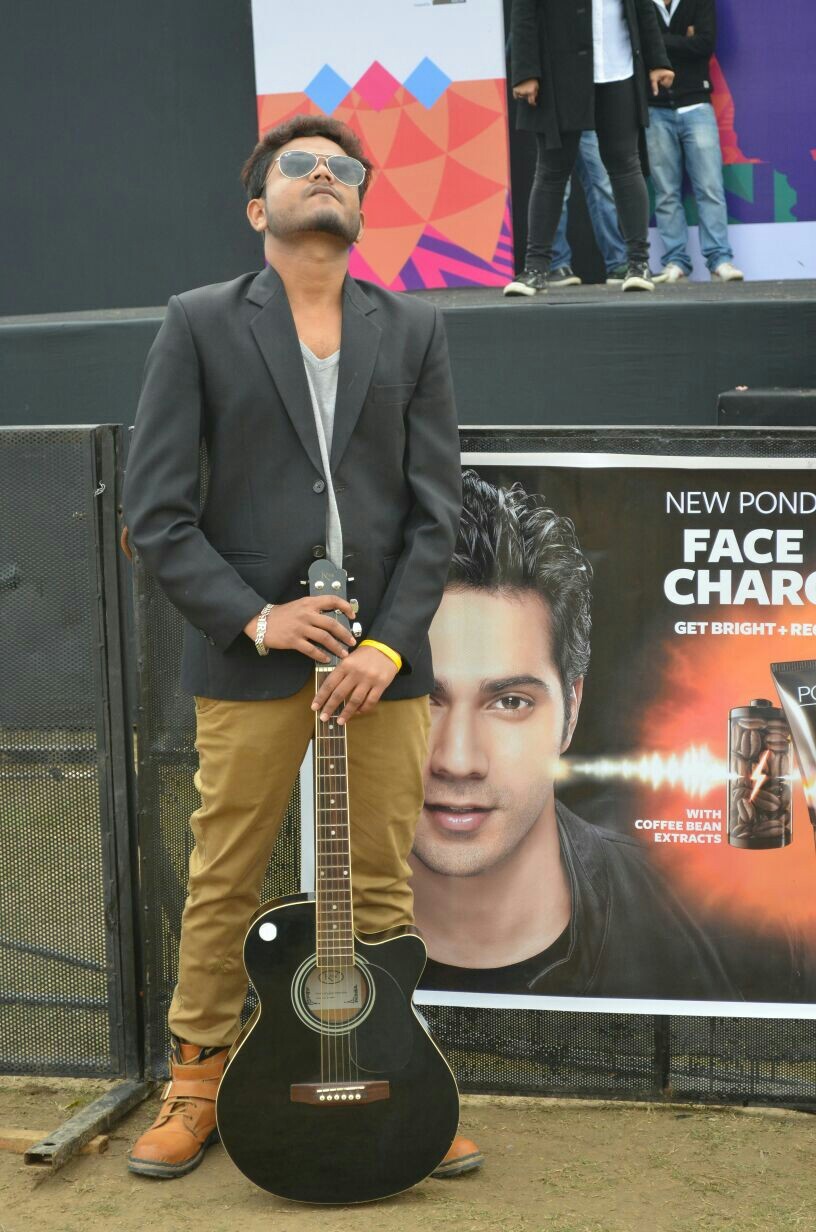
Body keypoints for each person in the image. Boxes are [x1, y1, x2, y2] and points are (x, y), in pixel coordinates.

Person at [122, 114, 480, 1181]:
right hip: (251, 654)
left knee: (379, 883)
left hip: (382, 665)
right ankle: (197, 1081)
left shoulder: (413, 328)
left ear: (362, 205)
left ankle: (395, 1080)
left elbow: (437, 515)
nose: (325, 174)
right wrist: (259, 617)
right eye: (300, 165)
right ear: (257, 207)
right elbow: (156, 512)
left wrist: (390, 648)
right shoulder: (197, 322)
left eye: (344, 169)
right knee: (225, 869)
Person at [410, 471, 744, 998]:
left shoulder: (699, 931)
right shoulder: (301, 919)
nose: (457, 760)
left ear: (572, 709)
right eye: (421, 699)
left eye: (510, 702)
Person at [504, 0, 675, 296]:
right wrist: (525, 71)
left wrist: (658, 60)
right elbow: (523, 11)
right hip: (559, 73)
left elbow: (643, 8)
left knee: (626, 165)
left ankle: (638, 263)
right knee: (551, 171)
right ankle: (536, 268)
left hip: (618, 70)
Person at [647, 0, 744, 283]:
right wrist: (682, 39)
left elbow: (704, 44)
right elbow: (637, 48)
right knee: (665, 191)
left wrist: (657, 43)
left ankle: (720, 259)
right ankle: (676, 260)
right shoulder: (640, 4)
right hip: (654, 107)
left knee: (710, 187)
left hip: (697, 104)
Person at [550, 131, 629, 286]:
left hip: (586, 123)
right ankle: (557, 265)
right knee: (556, 189)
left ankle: (617, 263)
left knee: (602, 187)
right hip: (557, 123)